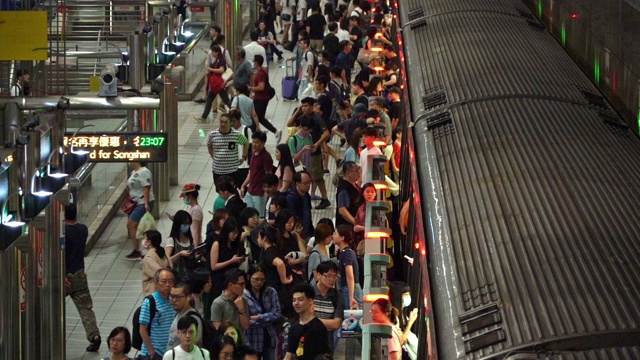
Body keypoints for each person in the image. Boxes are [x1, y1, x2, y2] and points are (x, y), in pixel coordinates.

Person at [64, 203, 101, 352]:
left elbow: (62, 253)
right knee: (85, 308)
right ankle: (94, 336)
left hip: (64, 275)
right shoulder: (83, 229)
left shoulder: (63, 231)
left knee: (52, 305)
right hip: (80, 274)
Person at [243, 265, 281, 360]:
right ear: (248, 277)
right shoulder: (243, 295)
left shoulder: (271, 291)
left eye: (262, 279)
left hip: (270, 337)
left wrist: (258, 317)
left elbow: (277, 313)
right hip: (252, 339)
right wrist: (267, 319)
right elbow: (246, 321)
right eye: (256, 279)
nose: (259, 282)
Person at [284, 284, 331, 360]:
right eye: (294, 300)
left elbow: (325, 355)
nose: (296, 303)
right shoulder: (293, 328)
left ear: (310, 301)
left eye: (300, 299)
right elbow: (289, 355)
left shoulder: (318, 327)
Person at [140, 268, 177, 359]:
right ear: (156, 283)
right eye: (164, 281)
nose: (167, 285)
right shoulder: (150, 302)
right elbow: (142, 330)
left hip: (168, 352)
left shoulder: (173, 301)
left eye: (170, 281)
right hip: (152, 354)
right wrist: (152, 351)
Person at [257, 226, 293, 315]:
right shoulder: (275, 249)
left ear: (264, 238)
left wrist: (283, 279)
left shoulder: (269, 252)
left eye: (258, 237)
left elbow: (279, 263)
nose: (257, 239)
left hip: (275, 289)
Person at [207, 113, 249, 186]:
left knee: (231, 190)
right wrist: (213, 156)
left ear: (231, 123)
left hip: (232, 170)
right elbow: (209, 145)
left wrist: (243, 156)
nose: (223, 124)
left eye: (226, 122)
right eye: (221, 122)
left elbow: (246, 143)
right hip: (217, 170)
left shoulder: (236, 134)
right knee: (220, 191)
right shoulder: (213, 134)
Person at [313, 261, 345, 352]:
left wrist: (313, 321)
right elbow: (303, 320)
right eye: (328, 276)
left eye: (334, 276)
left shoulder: (337, 297)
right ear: (319, 275)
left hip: (326, 341)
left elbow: (336, 323)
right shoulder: (308, 293)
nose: (332, 279)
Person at [125, 162, 154, 260]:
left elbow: (146, 188)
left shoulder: (144, 172)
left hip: (142, 202)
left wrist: (146, 204)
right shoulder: (134, 172)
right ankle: (138, 249)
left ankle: (139, 250)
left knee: (131, 224)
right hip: (135, 202)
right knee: (134, 226)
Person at [240, 131, 273, 217]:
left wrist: (266, 193)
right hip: (250, 191)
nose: (254, 144)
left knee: (259, 217)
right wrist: (243, 185)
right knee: (248, 216)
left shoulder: (266, 157)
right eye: (253, 141)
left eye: (257, 142)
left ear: (263, 143)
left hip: (260, 193)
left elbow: (268, 176)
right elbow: (251, 173)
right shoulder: (253, 154)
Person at [250, 55, 282, 142]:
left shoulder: (260, 73)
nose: (253, 63)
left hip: (260, 99)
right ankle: (273, 131)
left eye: (253, 61)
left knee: (255, 117)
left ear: (256, 62)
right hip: (262, 98)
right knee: (260, 118)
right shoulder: (262, 71)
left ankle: (256, 137)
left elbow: (261, 87)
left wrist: (251, 88)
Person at [195, 45, 232, 122]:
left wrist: (211, 69)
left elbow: (221, 70)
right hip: (215, 86)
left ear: (217, 52)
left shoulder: (221, 60)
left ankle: (235, 114)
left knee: (226, 100)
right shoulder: (216, 60)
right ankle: (203, 117)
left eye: (213, 51)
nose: (211, 53)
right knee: (210, 100)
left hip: (218, 85)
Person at [210, 218, 244, 299]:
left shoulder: (235, 245)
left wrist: (240, 260)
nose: (235, 235)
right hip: (220, 280)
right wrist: (231, 261)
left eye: (237, 233)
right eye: (233, 233)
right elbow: (214, 266)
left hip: (232, 280)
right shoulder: (217, 244)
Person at [333, 225, 362, 309]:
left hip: (351, 289)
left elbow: (350, 276)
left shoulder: (346, 253)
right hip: (348, 288)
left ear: (342, 237)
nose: (333, 236)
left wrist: (351, 296)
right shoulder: (343, 252)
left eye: (335, 234)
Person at [167, 283, 204, 348]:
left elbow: (194, 346)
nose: (174, 300)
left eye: (178, 297)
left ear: (188, 297)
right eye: (171, 296)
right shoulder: (178, 314)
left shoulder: (192, 318)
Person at [165, 210, 195, 283]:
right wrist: (180, 254)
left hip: (190, 276)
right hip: (177, 278)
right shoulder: (172, 240)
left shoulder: (190, 239)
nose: (187, 226)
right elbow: (166, 261)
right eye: (184, 224)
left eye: (188, 224)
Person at [142, 230, 173, 296]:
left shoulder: (149, 257)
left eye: (145, 238)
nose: (143, 241)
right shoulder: (164, 253)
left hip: (155, 292)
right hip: (167, 290)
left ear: (149, 242)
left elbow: (159, 274)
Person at [285, 171, 314, 239]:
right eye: (305, 183)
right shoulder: (291, 198)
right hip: (297, 233)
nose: (308, 185)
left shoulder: (307, 195)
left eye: (309, 182)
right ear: (298, 183)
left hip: (307, 231)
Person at [335, 161, 361, 227]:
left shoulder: (354, 185)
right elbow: (342, 211)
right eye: (356, 171)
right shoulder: (344, 189)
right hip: (346, 228)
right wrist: (355, 222)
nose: (359, 172)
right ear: (348, 173)